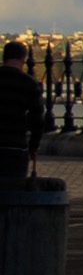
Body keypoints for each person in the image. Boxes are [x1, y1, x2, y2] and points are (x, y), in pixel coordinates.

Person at [0, 41, 48, 180]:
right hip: (16, 145)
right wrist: (34, 145)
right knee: (15, 188)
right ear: (23, 59)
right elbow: (37, 119)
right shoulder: (29, 84)